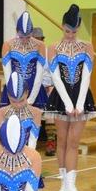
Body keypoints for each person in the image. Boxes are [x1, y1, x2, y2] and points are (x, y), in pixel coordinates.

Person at [45, 4, 96, 191]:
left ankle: (72, 186)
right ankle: (63, 186)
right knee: (62, 141)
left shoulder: (86, 46)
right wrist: (67, 103)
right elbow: (56, 77)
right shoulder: (53, 48)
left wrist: (80, 103)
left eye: (74, 32)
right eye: (67, 31)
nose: (70, 35)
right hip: (61, 96)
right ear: (62, 26)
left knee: (74, 142)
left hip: (81, 95)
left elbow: (87, 75)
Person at [0, 12, 48, 109]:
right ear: (17, 32)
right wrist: (14, 95)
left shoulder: (40, 45)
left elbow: (39, 74)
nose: (25, 40)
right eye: (21, 37)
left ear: (32, 33)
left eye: (28, 37)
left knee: (34, 118)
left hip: (35, 89)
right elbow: (8, 75)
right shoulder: (8, 45)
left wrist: (31, 99)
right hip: (13, 87)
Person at [0, 72, 43, 151]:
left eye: (22, 100)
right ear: (8, 95)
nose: (18, 105)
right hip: (7, 151)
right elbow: (2, 138)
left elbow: (33, 140)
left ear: (27, 93)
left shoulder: (36, 112)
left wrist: (28, 155)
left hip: (28, 151)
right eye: (13, 101)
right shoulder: (2, 112)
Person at [34, 27, 57, 156]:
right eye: (35, 39)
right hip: (32, 89)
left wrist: (51, 86)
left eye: (40, 39)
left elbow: (53, 73)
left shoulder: (49, 53)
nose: (38, 42)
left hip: (47, 87)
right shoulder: (28, 54)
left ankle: (51, 142)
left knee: (50, 113)